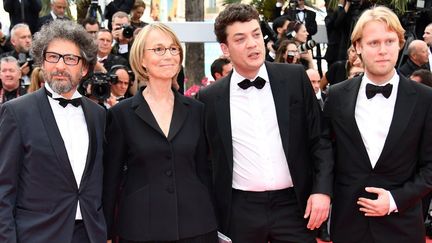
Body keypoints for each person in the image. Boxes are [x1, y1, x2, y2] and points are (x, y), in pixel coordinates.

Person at [197, 3, 332, 243]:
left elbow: (319, 139)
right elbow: (207, 160)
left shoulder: (294, 78)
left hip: (295, 206)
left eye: (256, 34)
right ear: (225, 49)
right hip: (239, 211)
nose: (252, 43)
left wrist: (321, 190)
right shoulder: (210, 98)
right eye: (240, 39)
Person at [323, 6, 432, 243]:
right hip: (349, 224)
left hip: (402, 225)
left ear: (400, 43)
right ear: (358, 46)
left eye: (390, 41)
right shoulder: (338, 95)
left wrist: (395, 200)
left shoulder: (425, 98)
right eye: (374, 43)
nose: (383, 50)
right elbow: (325, 152)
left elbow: (430, 166)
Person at [103, 23, 218, 243]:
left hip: (197, 226)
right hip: (141, 228)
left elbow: (205, 171)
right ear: (142, 59)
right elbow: (111, 179)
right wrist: (107, 232)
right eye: (158, 49)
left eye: (173, 49)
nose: (168, 55)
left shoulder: (197, 110)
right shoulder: (121, 114)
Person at [0, 20, 106, 243]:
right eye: (53, 57)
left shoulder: (98, 115)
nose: (60, 66)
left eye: (70, 59)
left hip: (89, 234)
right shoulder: (16, 113)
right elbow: (3, 190)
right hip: (37, 235)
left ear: (84, 68)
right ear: (42, 62)